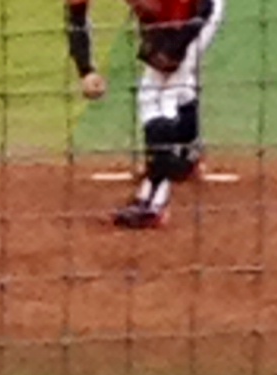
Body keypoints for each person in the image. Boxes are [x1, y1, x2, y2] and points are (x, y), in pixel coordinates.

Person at [65, 0, 226, 229]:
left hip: (198, 11)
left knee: (161, 93)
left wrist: (173, 45)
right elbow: (76, 17)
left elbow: (188, 13)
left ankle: (154, 204)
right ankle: (187, 155)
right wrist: (86, 70)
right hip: (171, 13)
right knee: (173, 81)